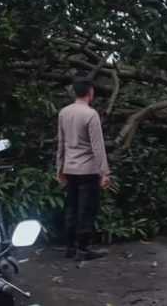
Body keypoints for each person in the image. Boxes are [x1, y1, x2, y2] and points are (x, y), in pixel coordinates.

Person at [56, 77, 111, 261]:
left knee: (71, 207)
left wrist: (59, 168)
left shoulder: (64, 113)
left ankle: (70, 247)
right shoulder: (90, 114)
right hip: (87, 169)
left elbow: (61, 143)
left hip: (70, 168)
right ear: (90, 92)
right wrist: (104, 172)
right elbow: (97, 146)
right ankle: (83, 248)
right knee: (86, 209)